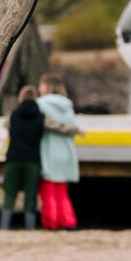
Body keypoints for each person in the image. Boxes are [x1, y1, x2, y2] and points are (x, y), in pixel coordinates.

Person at [36, 73, 81, 230]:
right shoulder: (67, 105)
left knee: (48, 192)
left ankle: (51, 222)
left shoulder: (40, 104)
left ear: (47, 87)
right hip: (66, 152)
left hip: (48, 151)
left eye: (41, 85)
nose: (39, 88)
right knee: (62, 192)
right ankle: (68, 221)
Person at [1, 86, 45, 229]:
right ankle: (29, 228)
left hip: (13, 158)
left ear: (21, 98)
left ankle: (4, 227)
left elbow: (6, 125)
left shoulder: (13, 115)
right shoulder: (41, 116)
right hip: (32, 160)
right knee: (31, 196)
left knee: (9, 194)